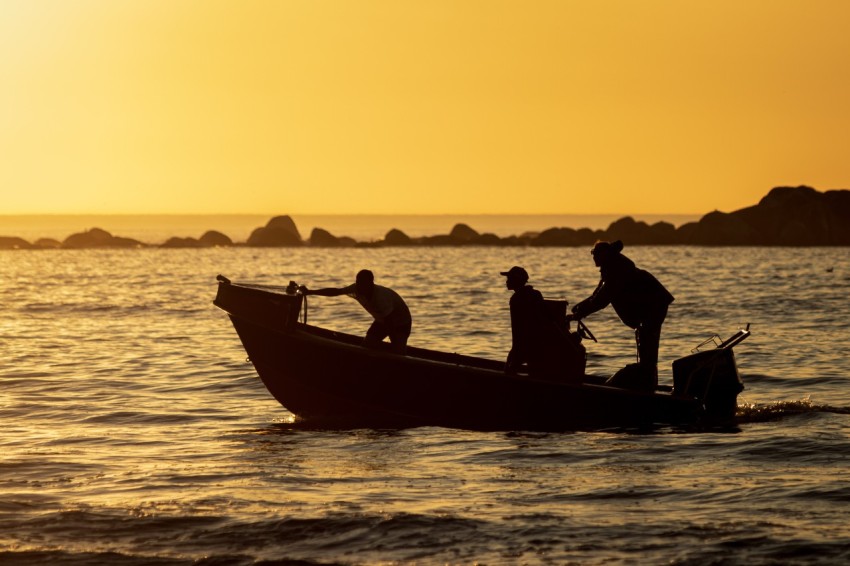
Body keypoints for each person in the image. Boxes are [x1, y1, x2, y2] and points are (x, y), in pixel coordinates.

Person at [569, 240, 674, 390]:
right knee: (645, 342)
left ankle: (648, 384)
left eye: (595, 253)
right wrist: (579, 308)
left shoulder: (616, 270)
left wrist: (581, 312)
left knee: (647, 344)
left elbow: (603, 299)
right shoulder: (611, 267)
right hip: (651, 307)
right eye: (592, 253)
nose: (593, 257)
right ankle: (647, 381)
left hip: (653, 306)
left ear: (604, 254)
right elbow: (597, 295)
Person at [299, 269, 412, 353]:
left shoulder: (380, 297)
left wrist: (395, 345)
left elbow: (390, 322)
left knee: (398, 353)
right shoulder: (356, 289)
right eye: (358, 282)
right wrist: (310, 292)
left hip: (401, 323)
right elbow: (335, 292)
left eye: (362, 284)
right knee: (366, 346)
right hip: (382, 320)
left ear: (370, 283)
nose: (359, 287)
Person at [502, 266, 582, 380]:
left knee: (510, 373)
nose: (506, 281)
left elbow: (519, 329)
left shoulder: (516, 299)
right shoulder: (535, 294)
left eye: (509, 278)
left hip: (526, 344)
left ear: (517, 280)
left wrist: (515, 352)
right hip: (539, 344)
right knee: (535, 374)